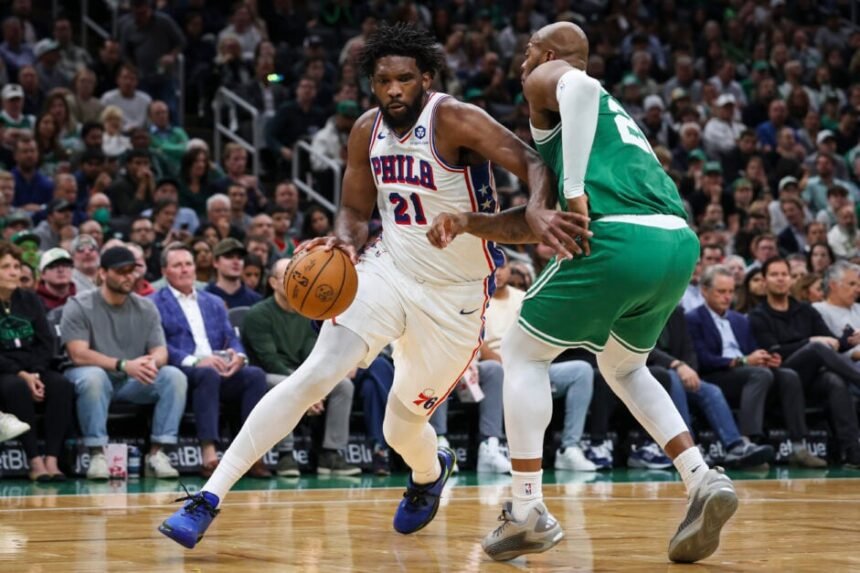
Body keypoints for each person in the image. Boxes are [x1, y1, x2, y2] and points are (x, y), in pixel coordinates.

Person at [159, 22, 567, 549]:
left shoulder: (457, 119)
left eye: (403, 79)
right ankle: (207, 499)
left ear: (425, 77)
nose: (393, 90)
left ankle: (429, 471)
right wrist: (346, 243)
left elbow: (533, 160)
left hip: (455, 296)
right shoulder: (365, 130)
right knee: (315, 374)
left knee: (401, 428)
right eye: (382, 81)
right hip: (387, 272)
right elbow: (353, 209)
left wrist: (536, 206)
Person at [427, 23, 731, 563]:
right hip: (676, 244)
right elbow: (538, 223)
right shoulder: (607, 129)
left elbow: (581, 87)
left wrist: (572, 193)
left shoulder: (555, 79)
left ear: (548, 54)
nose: (523, 63)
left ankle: (525, 510)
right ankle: (700, 476)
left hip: (618, 236)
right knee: (625, 367)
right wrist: (470, 221)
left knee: (522, 350)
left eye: (527, 53)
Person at [61, 246, 188, 479]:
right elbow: (77, 354)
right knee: (94, 377)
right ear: (102, 273)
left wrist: (151, 362)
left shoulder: (146, 307)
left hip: (131, 378)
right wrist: (123, 365)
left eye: (132, 271)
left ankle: (157, 454)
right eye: (121, 271)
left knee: (173, 376)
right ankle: (97, 454)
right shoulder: (79, 304)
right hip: (88, 375)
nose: (129, 276)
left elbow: (161, 350)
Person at [152, 243, 270, 478]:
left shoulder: (213, 301)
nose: (185, 270)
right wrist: (196, 361)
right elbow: (161, 345)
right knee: (207, 374)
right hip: (185, 368)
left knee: (255, 375)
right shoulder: (154, 302)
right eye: (178, 265)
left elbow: (230, 338)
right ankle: (209, 453)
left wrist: (239, 356)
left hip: (220, 366)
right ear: (165, 271)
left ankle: (251, 454)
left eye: (188, 264)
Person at [685, 265, 822, 467]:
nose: (727, 297)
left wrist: (766, 359)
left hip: (748, 372)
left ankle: (798, 445)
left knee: (787, 375)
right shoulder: (693, 318)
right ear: (704, 291)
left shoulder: (740, 319)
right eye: (721, 292)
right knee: (759, 375)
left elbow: (752, 349)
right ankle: (748, 442)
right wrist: (742, 361)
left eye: (731, 292)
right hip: (717, 375)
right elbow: (703, 360)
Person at [241, 258, 362, 477]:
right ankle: (285, 455)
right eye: (290, 276)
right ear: (273, 283)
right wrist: (307, 390)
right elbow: (271, 361)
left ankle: (330, 454)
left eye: (301, 276)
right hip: (270, 376)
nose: (300, 281)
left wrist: (316, 386)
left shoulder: (310, 313)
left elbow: (313, 354)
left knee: (343, 385)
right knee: (282, 386)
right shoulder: (257, 315)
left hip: (303, 374)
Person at [749, 258, 860, 468]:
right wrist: (808, 341)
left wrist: (849, 341)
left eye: (784, 274)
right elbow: (773, 353)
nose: (780, 279)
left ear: (791, 279)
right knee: (816, 348)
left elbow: (832, 343)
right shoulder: (758, 316)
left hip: (808, 379)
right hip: (779, 376)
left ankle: (851, 450)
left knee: (832, 380)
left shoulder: (806, 310)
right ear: (764, 281)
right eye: (774, 275)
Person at [0, 241, 74, 480]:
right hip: (5, 371)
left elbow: (46, 342)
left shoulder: (31, 300)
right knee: (16, 387)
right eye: (6, 266)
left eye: (16, 265)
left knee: (62, 386)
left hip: (35, 367)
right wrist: (22, 374)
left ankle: (51, 458)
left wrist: (37, 373)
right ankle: (34, 461)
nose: (14, 272)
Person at [204, 238, 262, 308]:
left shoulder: (257, 300)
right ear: (215, 262)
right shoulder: (203, 298)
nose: (236, 262)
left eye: (240, 258)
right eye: (229, 257)